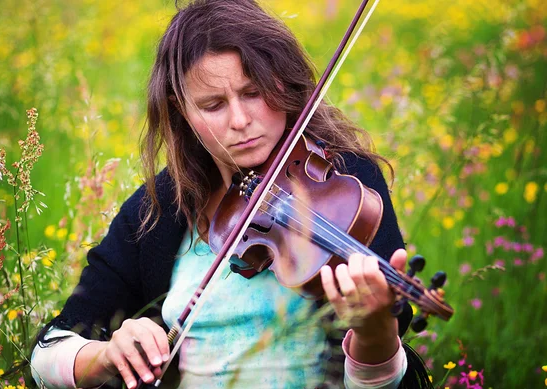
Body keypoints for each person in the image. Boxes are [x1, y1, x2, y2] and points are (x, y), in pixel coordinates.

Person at [31, 1, 433, 388]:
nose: (240, 121)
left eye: (254, 92)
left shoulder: (347, 183)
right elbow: (48, 355)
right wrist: (105, 356)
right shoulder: (159, 207)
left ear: (285, 81)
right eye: (213, 105)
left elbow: (380, 383)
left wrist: (375, 333)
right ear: (182, 111)